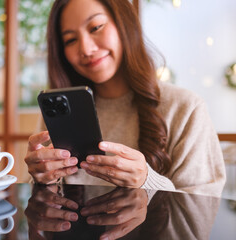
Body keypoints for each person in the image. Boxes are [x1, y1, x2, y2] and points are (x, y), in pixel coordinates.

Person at [24, 0, 226, 197]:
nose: (85, 49)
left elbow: (201, 219)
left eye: (96, 27)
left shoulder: (185, 108)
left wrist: (147, 182)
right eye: (70, 40)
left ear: (125, 25)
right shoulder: (61, 112)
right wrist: (43, 180)